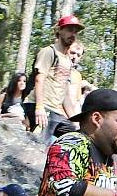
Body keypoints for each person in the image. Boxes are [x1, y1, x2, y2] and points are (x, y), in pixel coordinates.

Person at [22, 15, 84, 145]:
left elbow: (65, 93)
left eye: (75, 32)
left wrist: (75, 121)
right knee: (38, 145)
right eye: (69, 30)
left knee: (76, 137)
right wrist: (39, 108)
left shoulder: (67, 60)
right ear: (60, 30)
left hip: (55, 111)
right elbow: (40, 79)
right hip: (40, 106)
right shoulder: (49, 52)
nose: (72, 34)